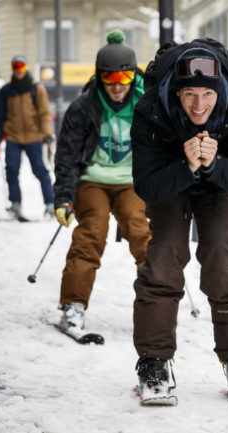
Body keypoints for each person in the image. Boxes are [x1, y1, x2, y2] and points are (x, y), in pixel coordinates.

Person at [130, 38, 228, 407]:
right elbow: (146, 184)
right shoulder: (150, 109)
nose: (199, 104)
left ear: (220, 91)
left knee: (223, 258)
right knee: (163, 259)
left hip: (219, 185)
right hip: (171, 181)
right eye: (189, 94)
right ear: (176, 92)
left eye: (207, 94)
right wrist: (187, 166)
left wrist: (215, 165)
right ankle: (153, 362)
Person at [52, 30, 151, 340]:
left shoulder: (149, 106)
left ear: (134, 76)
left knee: (140, 229)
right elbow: (67, 155)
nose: (117, 85)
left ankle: (157, 302)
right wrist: (64, 198)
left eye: (124, 76)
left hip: (131, 181)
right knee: (92, 231)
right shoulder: (83, 107)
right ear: (100, 76)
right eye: (110, 77)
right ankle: (73, 306)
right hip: (92, 179)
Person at [0, 55, 55, 220]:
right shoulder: (6, 91)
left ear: (26, 68)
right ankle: (15, 204)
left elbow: (45, 114)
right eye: (15, 67)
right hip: (13, 136)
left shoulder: (37, 89)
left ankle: (50, 204)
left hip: (34, 137)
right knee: (11, 171)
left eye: (21, 67)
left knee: (40, 171)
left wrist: (47, 134)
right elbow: (0, 116)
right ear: (13, 69)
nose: (18, 70)